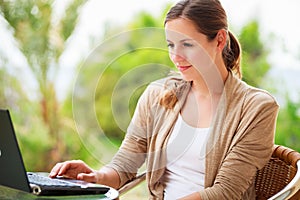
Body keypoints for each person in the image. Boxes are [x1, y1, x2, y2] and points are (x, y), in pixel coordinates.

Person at [49, 0, 279, 199]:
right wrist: (94, 177)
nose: (176, 57)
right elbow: (125, 166)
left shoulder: (257, 108)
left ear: (219, 41)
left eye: (187, 44)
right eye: (171, 45)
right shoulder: (157, 95)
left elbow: (225, 192)